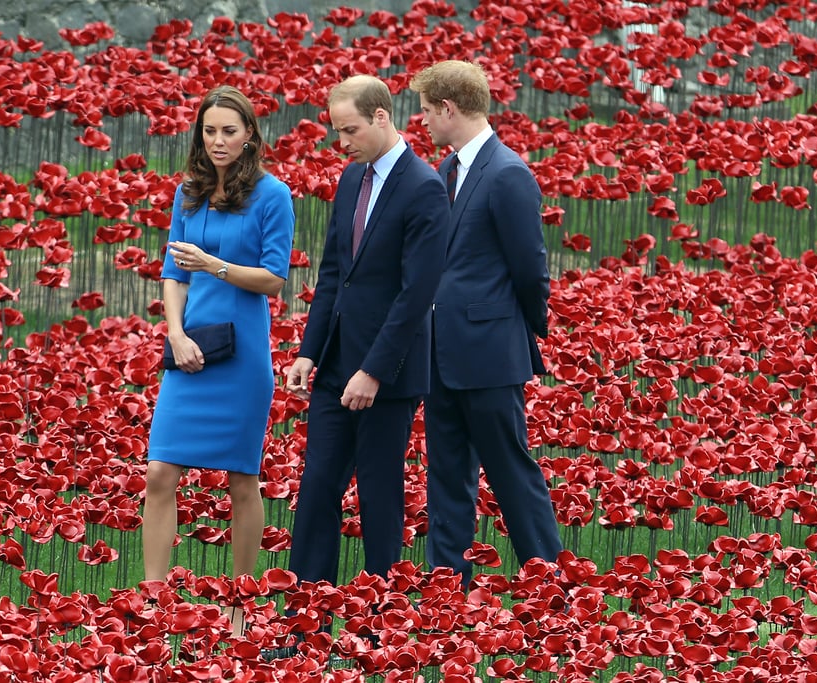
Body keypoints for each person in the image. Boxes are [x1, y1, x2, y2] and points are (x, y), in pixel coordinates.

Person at [284, 75, 449, 616]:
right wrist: (309, 351)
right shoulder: (351, 179)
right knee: (315, 491)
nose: (342, 141)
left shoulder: (424, 186)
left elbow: (416, 293)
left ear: (382, 117)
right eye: (336, 131)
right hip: (335, 363)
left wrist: (375, 371)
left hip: (389, 375)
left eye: (350, 129)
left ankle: (382, 624)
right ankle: (304, 617)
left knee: (381, 497)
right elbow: (333, 273)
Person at [144, 85, 295, 637]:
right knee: (160, 472)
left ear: (250, 134)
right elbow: (171, 273)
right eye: (209, 131)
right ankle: (153, 605)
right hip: (189, 351)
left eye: (229, 130)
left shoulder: (273, 195)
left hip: (244, 354)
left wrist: (214, 262)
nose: (218, 141)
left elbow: (274, 280)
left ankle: (237, 605)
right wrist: (175, 334)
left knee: (241, 481)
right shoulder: (189, 193)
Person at [409, 60, 563, 592]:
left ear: (449, 109)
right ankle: (446, 590)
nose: (422, 120)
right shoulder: (448, 171)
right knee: (446, 476)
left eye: (428, 111)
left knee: (509, 471)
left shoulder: (507, 172)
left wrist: (522, 332)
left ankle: (549, 583)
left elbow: (530, 267)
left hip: (490, 352)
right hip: (442, 354)